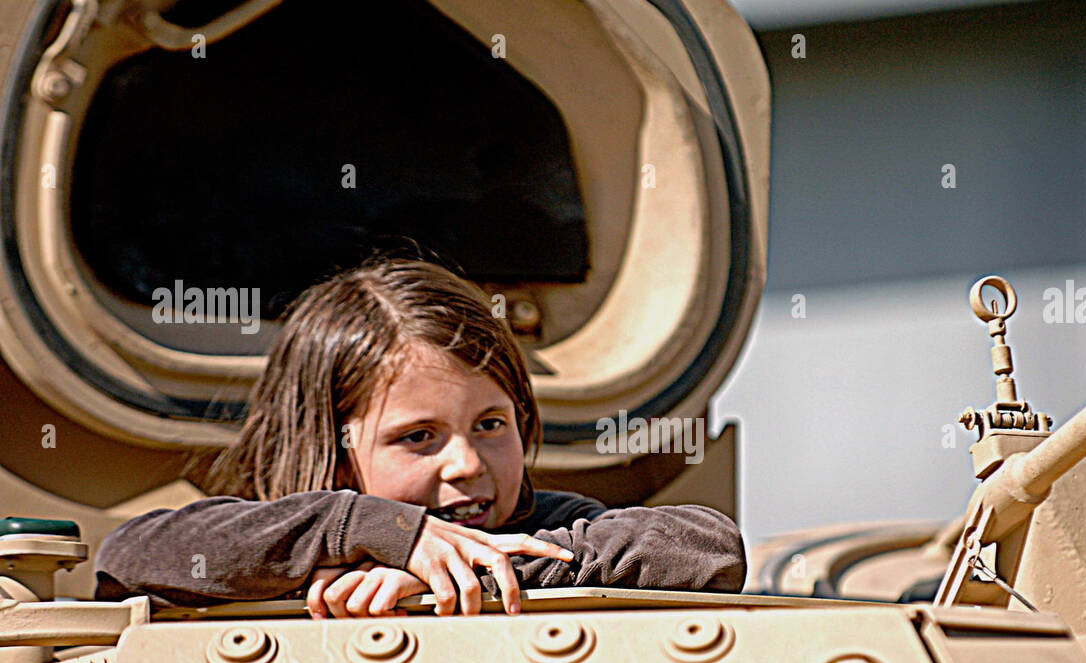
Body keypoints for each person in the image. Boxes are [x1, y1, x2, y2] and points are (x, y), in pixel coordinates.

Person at [93, 256, 746, 618]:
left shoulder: (542, 528)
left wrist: (477, 572)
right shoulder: (274, 542)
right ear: (333, 447)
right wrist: (358, 530)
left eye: (490, 424)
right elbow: (128, 556)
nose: (466, 463)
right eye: (418, 437)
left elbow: (706, 546)